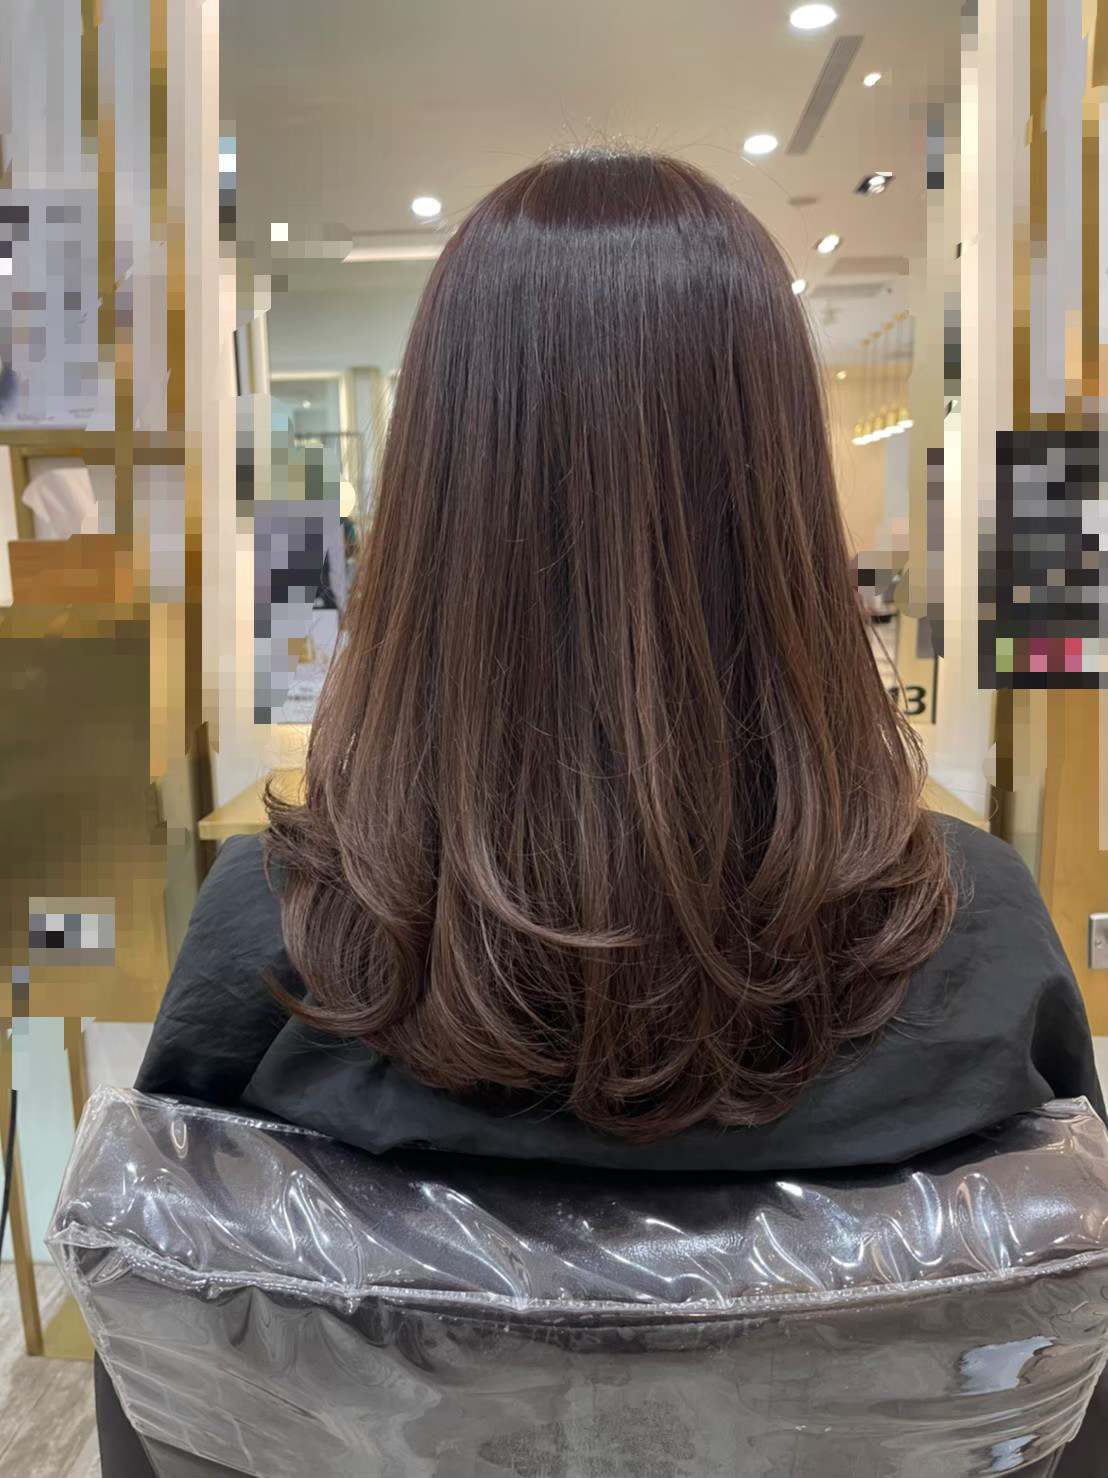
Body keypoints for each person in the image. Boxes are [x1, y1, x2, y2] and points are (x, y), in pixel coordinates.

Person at [138, 148, 1103, 1168]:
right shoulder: (977, 941)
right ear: (785, 502)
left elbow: (161, 1260)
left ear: (431, 499)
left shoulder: (270, 942)